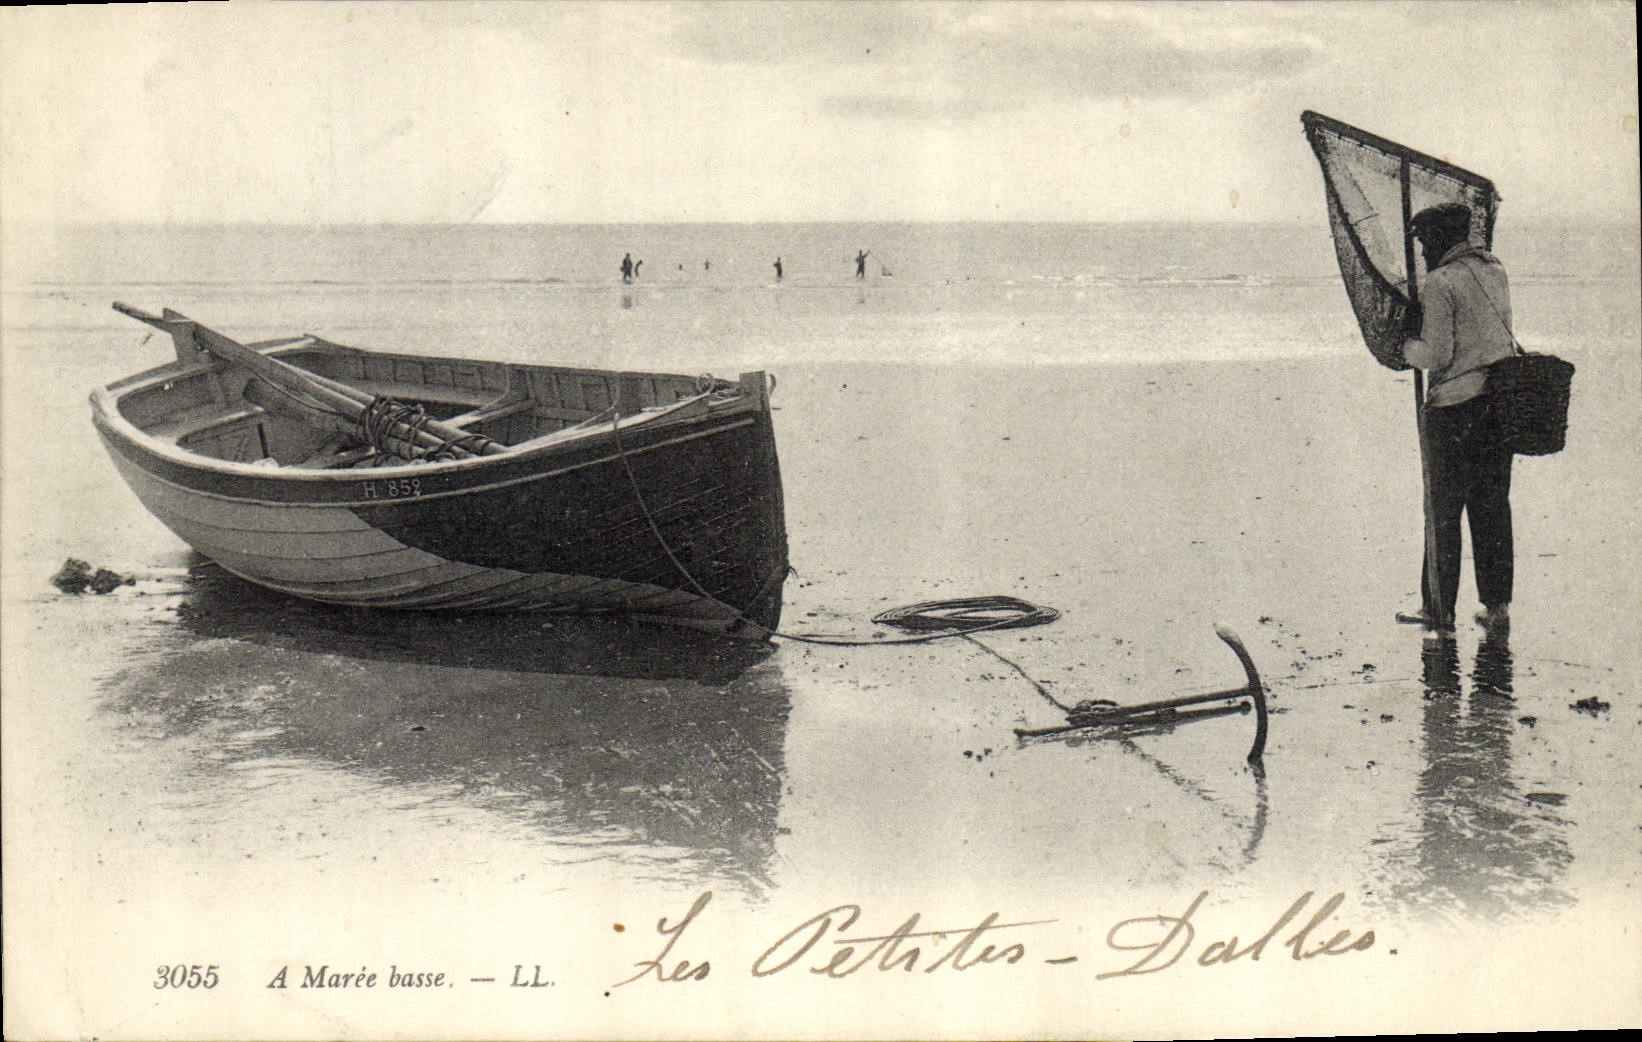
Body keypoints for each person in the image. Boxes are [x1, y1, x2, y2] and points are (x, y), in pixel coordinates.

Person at [1398, 202, 1518, 632]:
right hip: (1498, 410)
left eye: (1426, 240)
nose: (1424, 249)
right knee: (1491, 510)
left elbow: (1436, 354)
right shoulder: (1495, 270)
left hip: (1454, 411)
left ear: (1443, 238)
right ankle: (1497, 608)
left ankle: (1438, 609)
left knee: (1443, 513)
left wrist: (1404, 346)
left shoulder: (1440, 282)